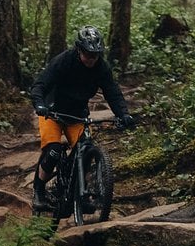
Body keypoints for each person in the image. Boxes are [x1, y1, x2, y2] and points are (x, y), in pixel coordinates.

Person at [29, 26, 134, 210]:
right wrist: (39, 104)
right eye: (88, 54)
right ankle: (39, 191)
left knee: (86, 149)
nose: (91, 59)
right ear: (79, 50)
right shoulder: (64, 61)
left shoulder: (101, 67)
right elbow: (40, 84)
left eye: (95, 55)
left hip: (77, 114)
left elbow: (112, 92)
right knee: (53, 151)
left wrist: (123, 114)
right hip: (52, 111)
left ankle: (81, 194)